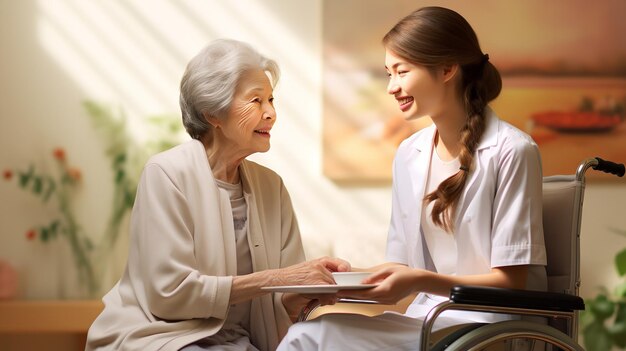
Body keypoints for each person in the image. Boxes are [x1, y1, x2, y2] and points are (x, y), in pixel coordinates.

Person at [278, 6, 547, 350]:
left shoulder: (512, 150)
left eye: (401, 71)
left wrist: (420, 280)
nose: (392, 87)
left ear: (448, 68)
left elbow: (512, 282)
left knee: (313, 337)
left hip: (488, 328)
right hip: (429, 317)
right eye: (388, 73)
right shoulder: (409, 153)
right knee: (315, 330)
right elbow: (401, 266)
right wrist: (337, 283)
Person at [85, 39, 349, 351]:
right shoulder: (166, 174)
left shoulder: (272, 187)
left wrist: (311, 288)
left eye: (271, 100)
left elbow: (283, 298)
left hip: (239, 342)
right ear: (213, 113)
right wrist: (276, 278)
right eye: (256, 101)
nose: (271, 113)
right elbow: (170, 295)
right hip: (161, 338)